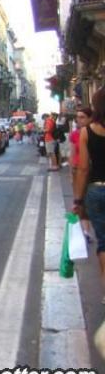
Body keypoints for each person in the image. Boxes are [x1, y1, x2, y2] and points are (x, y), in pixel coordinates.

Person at [73, 89, 105, 304]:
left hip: (97, 189)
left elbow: (83, 169)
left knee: (103, 242)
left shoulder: (87, 132)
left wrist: (77, 200)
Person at [70, 107, 94, 244]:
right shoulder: (74, 134)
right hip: (78, 171)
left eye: (82, 117)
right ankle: (86, 231)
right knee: (81, 203)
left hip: (93, 171)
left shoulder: (96, 132)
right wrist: (71, 173)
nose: (79, 120)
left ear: (90, 118)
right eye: (77, 117)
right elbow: (73, 155)